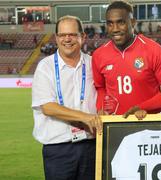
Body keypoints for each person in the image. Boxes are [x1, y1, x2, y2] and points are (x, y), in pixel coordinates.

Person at [32, 15, 102, 180]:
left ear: (83, 36)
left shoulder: (94, 64)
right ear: (56, 38)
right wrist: (86, 117)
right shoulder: (45, 67)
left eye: (72, 34)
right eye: (63, 35)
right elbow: (47, 107)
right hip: (58, 150)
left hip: (91, 147)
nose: (67, 39)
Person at [92, 0, 161, 116]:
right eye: (110, 24)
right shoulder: (98, 55)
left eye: (121, 23)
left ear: (133, 22)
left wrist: (140, 108)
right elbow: (100, 88)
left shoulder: (154, 51)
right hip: (115, 124)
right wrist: (101, 108)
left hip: (149, 122)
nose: (115, 29)